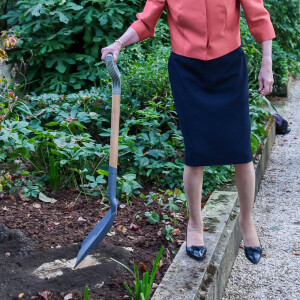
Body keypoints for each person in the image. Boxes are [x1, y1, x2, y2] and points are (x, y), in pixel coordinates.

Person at [101, 0, 276, 264]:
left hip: (229, 66)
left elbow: (258, 16)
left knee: (241, 150)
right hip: (187, 70)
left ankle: (246, 219)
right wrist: (118, 43)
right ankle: (195, 224)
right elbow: (147, 21)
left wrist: (267, 63)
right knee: (196, 151)